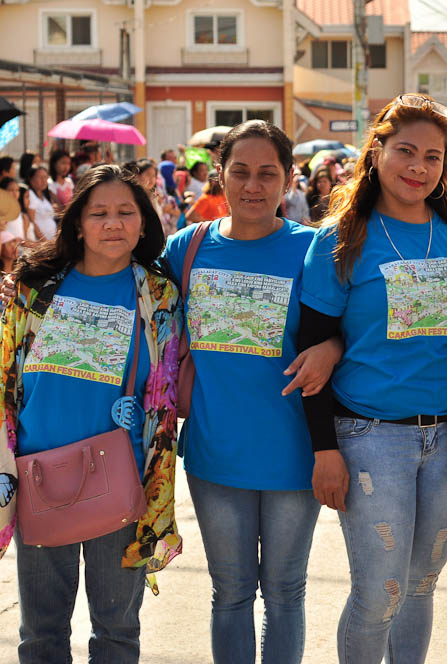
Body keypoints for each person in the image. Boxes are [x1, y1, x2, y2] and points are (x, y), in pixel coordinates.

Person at [297, 93, 447, 664]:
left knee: (420, 585)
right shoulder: (340, 240)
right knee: (378, 590)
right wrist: (324, 451)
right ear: (377, 151)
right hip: (371, 439)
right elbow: (308, 357)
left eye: (433, 157)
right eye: (406, 151)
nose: (418, 167)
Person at [161, 120, 340, 663]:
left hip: (294, 454)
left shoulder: (314, 249)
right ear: (220, 176)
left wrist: (331, 349)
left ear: (288, 180)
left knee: (285, 594)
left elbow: (353, 326)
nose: (253, 185)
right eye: (240, 172)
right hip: (216, 456)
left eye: (268, 173)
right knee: (231, 595)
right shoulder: (185, 249)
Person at [0, 164, 182, 663]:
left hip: (122, 480)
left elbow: (167, 386)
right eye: (98, 212)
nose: (113, 223)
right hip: (40, 476)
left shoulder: (159, 295)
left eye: (126, 212)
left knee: (118, 631)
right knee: (40, 633)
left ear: (143, 224)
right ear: (77, 222)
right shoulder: (34, 289)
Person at [26, 166, 57, 240]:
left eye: (45, 177)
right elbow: (32, 221)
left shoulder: (45, 196)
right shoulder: (30, 195)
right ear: (31, 179)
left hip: (51, 241)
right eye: (40, 177)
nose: (44, 180)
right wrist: (43, 241)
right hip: (40, 242)